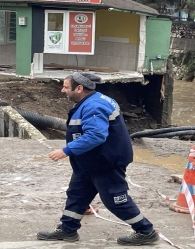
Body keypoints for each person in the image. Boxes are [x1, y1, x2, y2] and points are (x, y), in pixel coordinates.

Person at [36, 72, 159, 246]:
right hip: (89, 161)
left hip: (105, 163)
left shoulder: (94, 106)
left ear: (79, 88)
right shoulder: (92, 101)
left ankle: (146, 231)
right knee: (77, 195)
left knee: (115, 200)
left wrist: (66, 150)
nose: (62, 90)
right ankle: (68, 230)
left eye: (65, 86)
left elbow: (96, 135)